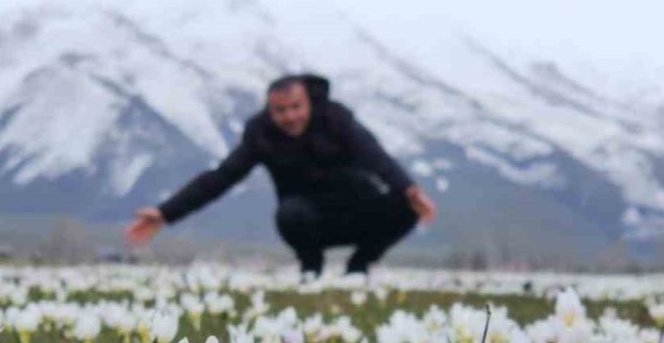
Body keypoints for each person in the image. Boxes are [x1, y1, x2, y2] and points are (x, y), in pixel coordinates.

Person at [124, 73, 436, 278]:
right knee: (289, 214)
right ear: (269, 109)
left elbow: (374, 155)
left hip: (359, 207)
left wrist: (408, 189)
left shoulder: (335, 118)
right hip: (308, 217)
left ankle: (360, 265)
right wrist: (166, 213)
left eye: (296, 107)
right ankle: (310, 269)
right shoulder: (261, 134)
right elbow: (221, 178)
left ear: (309, 102)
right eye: (280, 110)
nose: (290, 117)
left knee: (407, 207)